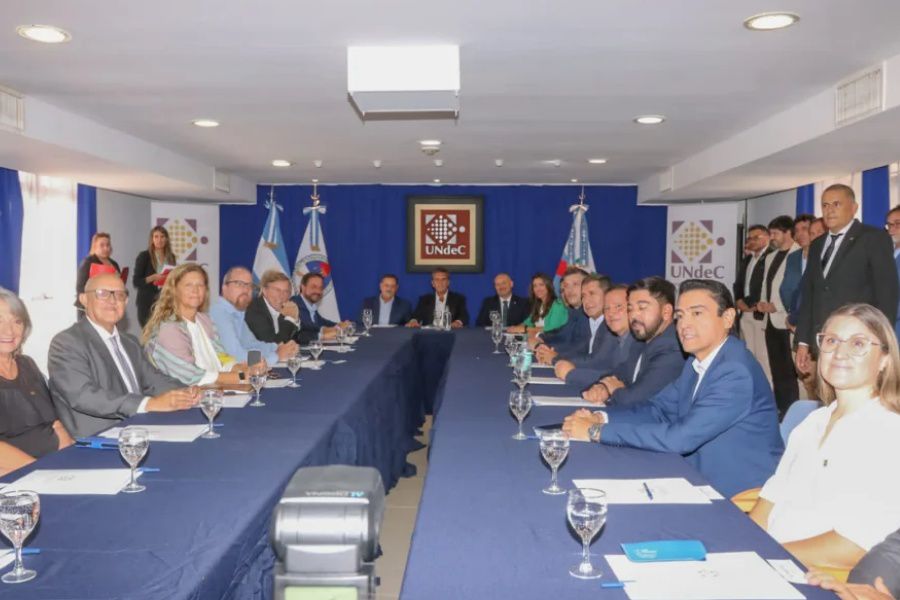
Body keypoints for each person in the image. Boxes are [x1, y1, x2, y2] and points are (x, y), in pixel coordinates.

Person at [563, 279, 784, 498]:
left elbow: (681, 438)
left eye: (697, 313)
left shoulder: (735, 371)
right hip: (693, 475)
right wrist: (600, 417)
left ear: (727, 318)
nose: (684, 324)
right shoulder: (696, 361)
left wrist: (596, 431)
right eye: (680, 316)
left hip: (736, 496)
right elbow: (658, 409)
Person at [750, 303, 900, 571]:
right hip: (770, 560)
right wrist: (742, 550)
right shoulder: (812, 422)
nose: (840, 352)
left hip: (819, 576)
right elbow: (770, 502)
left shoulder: (888, 432)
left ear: (885, 360)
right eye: (831, 341)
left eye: (858, 344)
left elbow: (856, 547)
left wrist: (765, 557)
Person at [48, 273, 199, 439]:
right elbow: (83, 395)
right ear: (84, 299)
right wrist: (148, 404)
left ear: (126, 302)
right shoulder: (67, 342)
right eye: (102, 293)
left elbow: (154, 379)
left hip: (141, 429)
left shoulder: (130, 342)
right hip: (99, 438)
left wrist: (187, 391)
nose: (113, 301)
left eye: (120, 295)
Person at [796, 185, 899, 379]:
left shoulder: (873, 238)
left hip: (859, 339)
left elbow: (887, 294)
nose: (829, 210)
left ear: (854, 207)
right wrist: (803, 342)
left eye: (836, 204)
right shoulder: (817, 244)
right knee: (826, 395)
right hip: (824, 340)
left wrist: (882, 343)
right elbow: (810, 295)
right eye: (825, 205)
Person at [579, 277, 686, 408]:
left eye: (642, 308)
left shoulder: (673, 348)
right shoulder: (641, 341)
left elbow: (635, 400)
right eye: (630, 309)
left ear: (666, 312)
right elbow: (618, 374)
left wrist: (615, 390)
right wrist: (602, 387)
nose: (634, 315)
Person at [0, 288, 73, 475]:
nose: (9, 330)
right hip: (21, 473)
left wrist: (67, 447)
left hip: (54, 463)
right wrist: (40, 470)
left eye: (17, 321)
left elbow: (53, 420)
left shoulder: (27, 364)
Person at [143, 264, 254, 386]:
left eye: (200, 285)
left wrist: (238, 368)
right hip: (183, 395)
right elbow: (189, 376)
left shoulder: (205, 320)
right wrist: (239, 377)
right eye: (188, 285)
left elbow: (220, 355)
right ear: (174, 291)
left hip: (213, 391)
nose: (195, 290)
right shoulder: (169, 328)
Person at [756, 215, 801, 416]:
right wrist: (763, 304)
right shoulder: (770, 257)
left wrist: (779, 307)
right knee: (776, 368)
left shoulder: (799, 254)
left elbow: (797, 289)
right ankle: (781, 408)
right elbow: (767, 285)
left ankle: (794, 410)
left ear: (788, 232)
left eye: (775, 233)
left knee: (791, 370)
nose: (772, 237)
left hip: (788, 320)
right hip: (770, 321)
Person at [554, 282, 638, 388]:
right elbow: (608, 369)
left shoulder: (638, 342)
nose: (611, 313)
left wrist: (571, 373)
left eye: (618, 306)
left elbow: (623, 380)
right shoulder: (620, 337)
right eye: (607, 308)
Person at [209, 266, 298, 365]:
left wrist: (277, 347)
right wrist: (275, 356)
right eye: (239, 284)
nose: (246, 290)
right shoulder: (219, 313)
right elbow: (236, 357)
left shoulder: (238, 313)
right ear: (224, 288)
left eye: (249, 286)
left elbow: (252, 345)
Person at [781, 214, 823, 399]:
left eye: (806, 230)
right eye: (796, 230)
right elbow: (789, 290)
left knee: (817, 381)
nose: (801, 234)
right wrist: (792, 316)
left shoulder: (825, 258)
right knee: (804, 378)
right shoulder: (793, 257)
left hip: (817, 328)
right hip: (796, 324)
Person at [734, 224, 774, 384]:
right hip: (744, 313)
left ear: (767, 237)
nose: (752, 241)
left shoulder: (772, 257)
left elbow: (764, 285)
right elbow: (738, 283)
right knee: (748, 355)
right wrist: (739, 300)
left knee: (763, 357)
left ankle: (768, 391)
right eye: (749, 238)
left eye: (756, 237)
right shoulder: (748, 259)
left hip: (760, 312)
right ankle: (753, 389)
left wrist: (750, 303)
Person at [245, 270, 319, 344]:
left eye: (286, 291)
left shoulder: (285, 308)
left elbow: (301, 339)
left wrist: (295, 320)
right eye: (277, 290)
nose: (282, 296)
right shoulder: (254, 311)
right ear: (264, 291)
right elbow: (274, 345)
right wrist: (290, 318)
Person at [534, 267, 588, 363]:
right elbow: (561, 336)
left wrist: (552, 354)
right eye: (566, 286)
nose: (569, 290)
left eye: (575, 284)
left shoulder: (589, 315)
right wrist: (541, 339)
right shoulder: (574, 312)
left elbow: (581, 351)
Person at [133, 225, 176, 328]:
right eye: (156, 236)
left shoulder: (171, 257)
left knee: (164, 333)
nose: (159, 240)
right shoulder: (144, 256)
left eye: (162, 236)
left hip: (165, 300)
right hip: (147, 302)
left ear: (166, 239)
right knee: (149, 333)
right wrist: (152, 278)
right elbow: (136, 281)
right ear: (152, 239)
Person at [75, 232, 121, 317]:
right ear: (94, 246)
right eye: (102, 245)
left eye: (108, 245)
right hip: (90, 309)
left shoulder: (114, 264)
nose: (106, 248)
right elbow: (80, 287)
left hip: (109, 306)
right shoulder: (87, 263)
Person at [290, 272, 343, 337]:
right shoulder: (293, 305)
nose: (318, 291)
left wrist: (340, 325)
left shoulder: (311, 306)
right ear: (303, 287)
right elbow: (302, 332)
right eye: (313, 287)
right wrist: (324, 334)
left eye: (320, 288)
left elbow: (322, 322)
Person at [885, 206, 900, 341]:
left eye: (897, 224)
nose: (891, 230)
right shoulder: (886, 253)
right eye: (889, 225)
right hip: (888, 325)